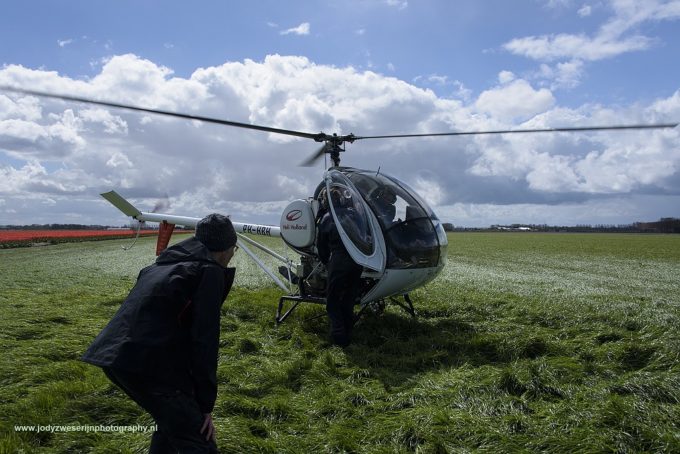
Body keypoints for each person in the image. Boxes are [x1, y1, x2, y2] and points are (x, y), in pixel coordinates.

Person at [82, 213, 238, 453]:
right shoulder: (209, 271)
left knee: (170, 425)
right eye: (234, 249)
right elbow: (204, 340)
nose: (232, 256)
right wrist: (205, 406)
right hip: (146, 363)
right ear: (224, 249)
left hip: (115, 356)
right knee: (198, 438)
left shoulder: (161, 266)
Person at [316, 188, 363, 347]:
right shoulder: (355, 214)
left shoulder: (328, 218)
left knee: (333, 301)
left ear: (326, 201)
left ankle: (339, 338)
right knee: (349, 299)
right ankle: (349, 332)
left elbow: (322, 247)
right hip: (358, 261)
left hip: (339, 261)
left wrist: (326, 263)